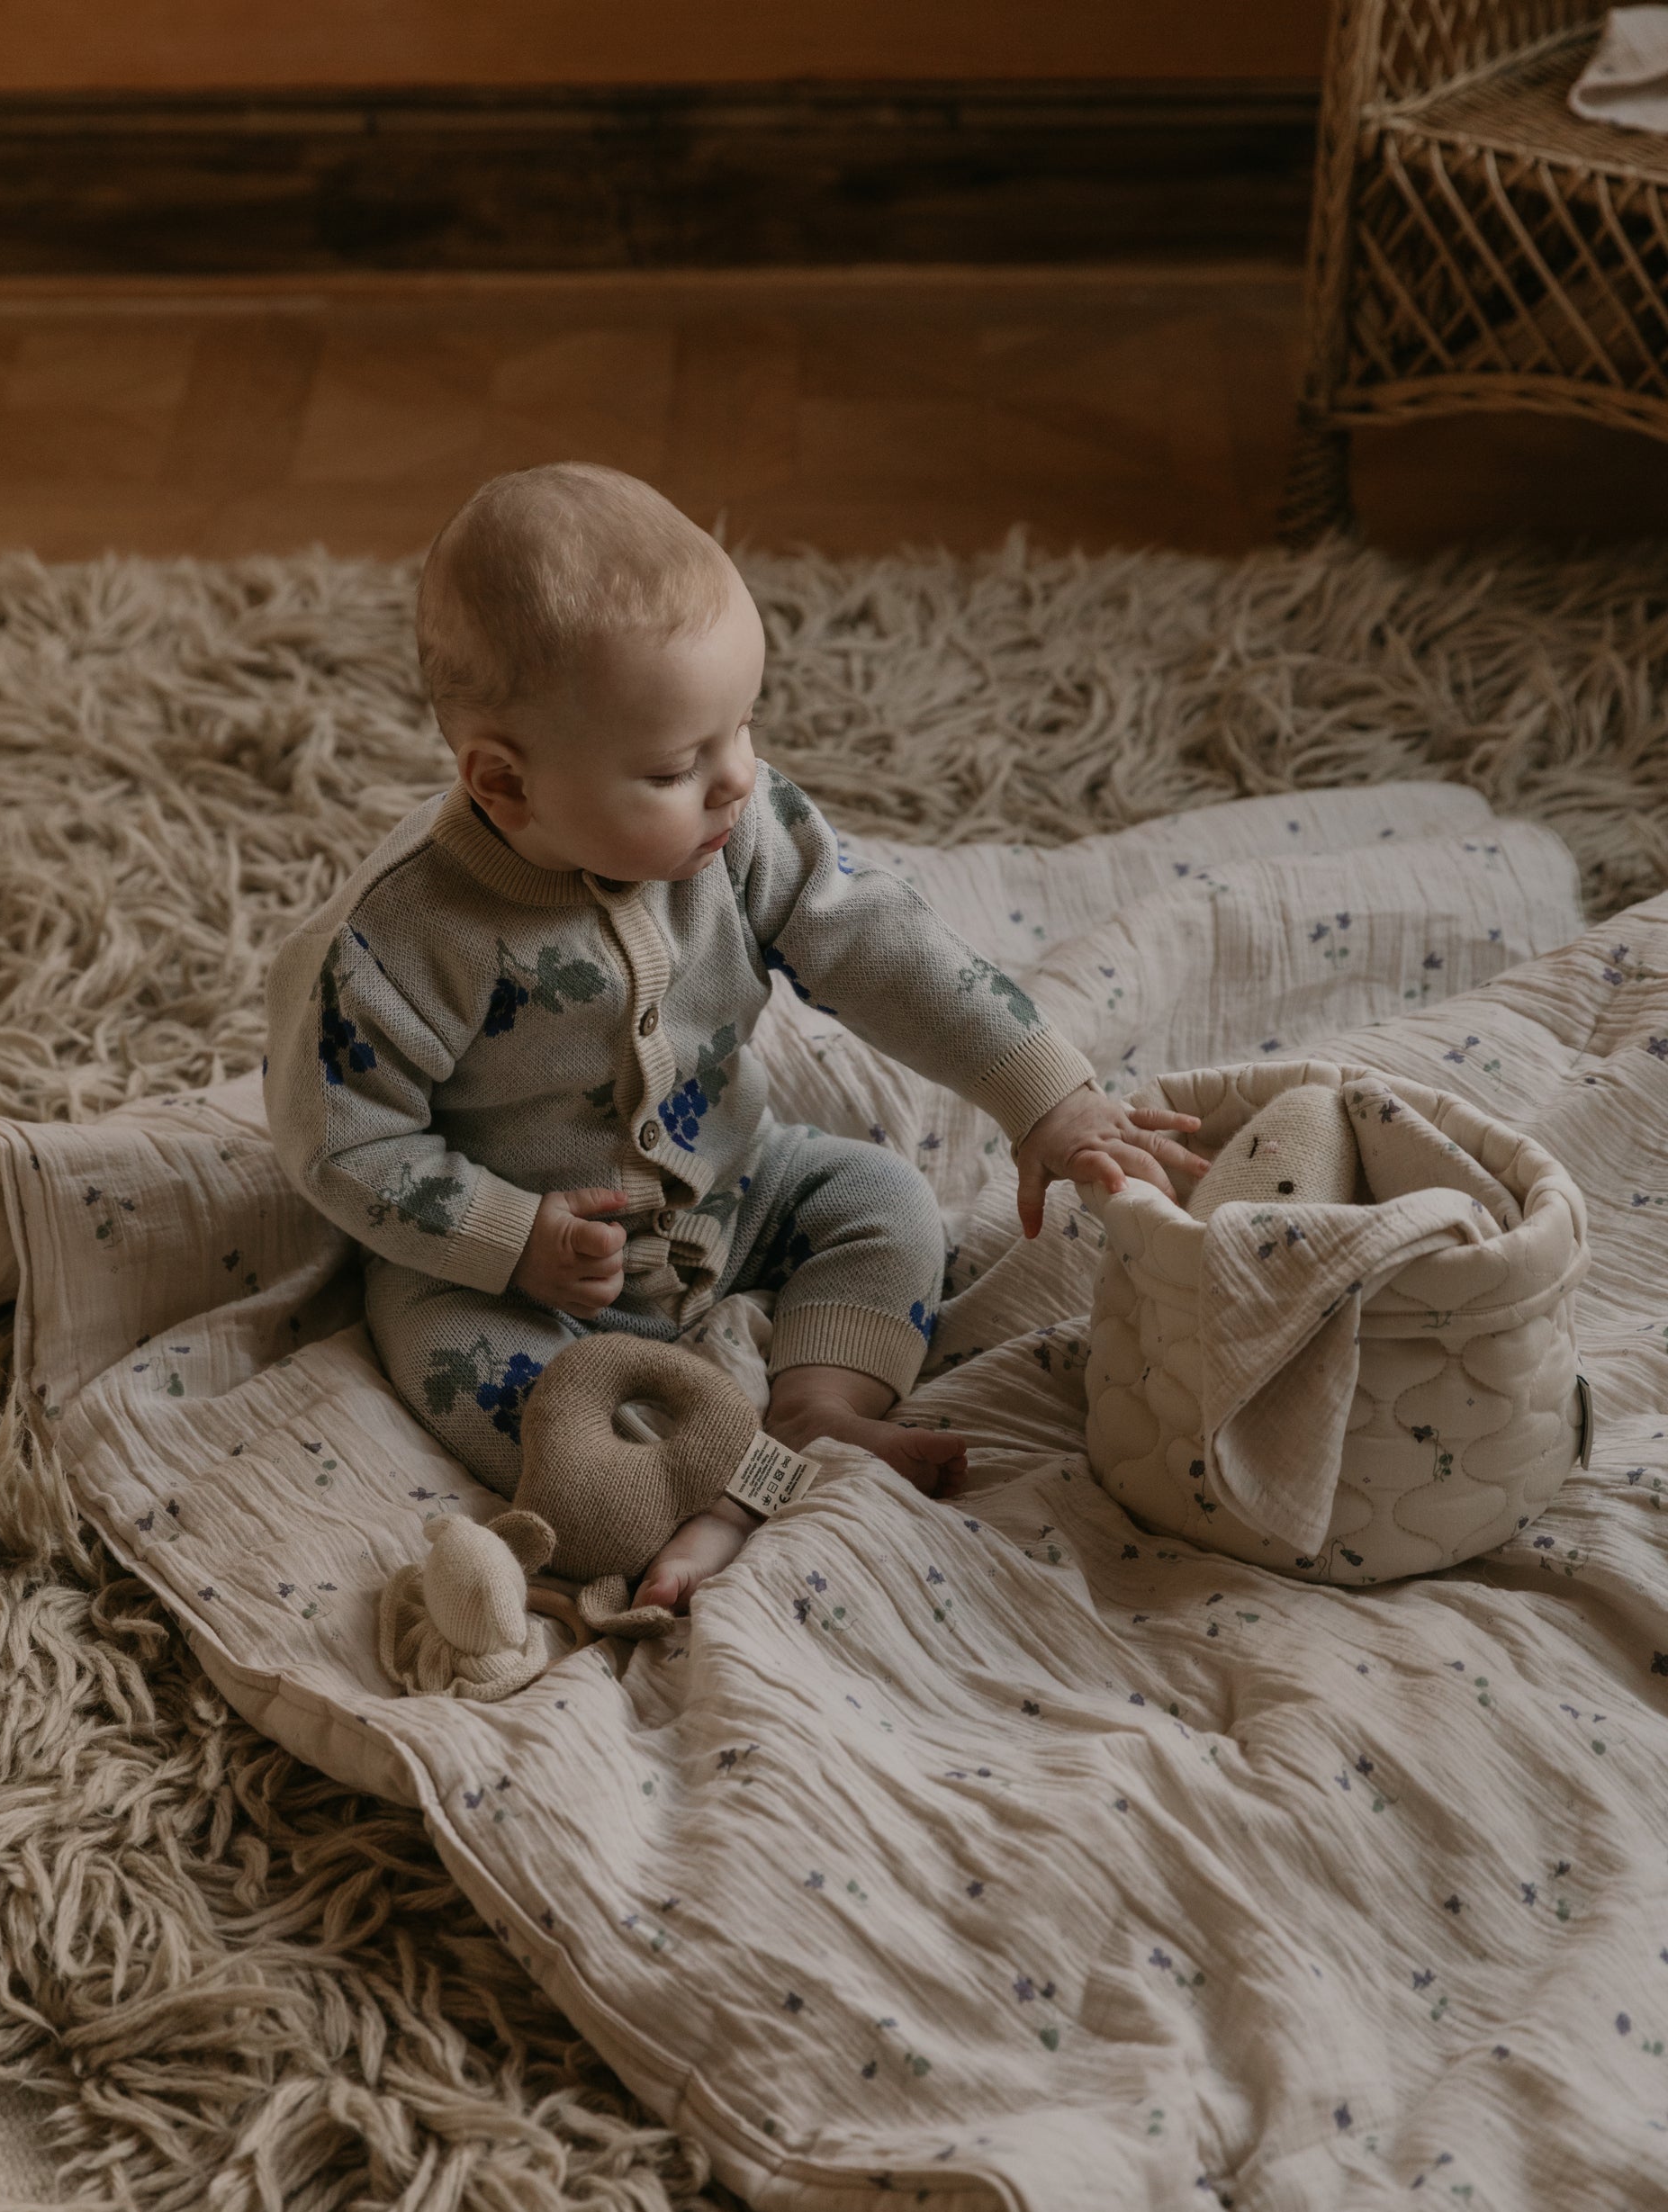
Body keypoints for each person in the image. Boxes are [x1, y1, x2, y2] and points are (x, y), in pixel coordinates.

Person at [265, 463, 1206, 1611]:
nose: (736, 779)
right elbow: (336, 1143)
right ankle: (721, 1491)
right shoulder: (400, 937)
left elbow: (879, 943)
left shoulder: (745, 827)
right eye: (674, 768)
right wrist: (510, 1236)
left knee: (883, 1200)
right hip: (508, 1284)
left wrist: (1042, 1093)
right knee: (535, 1411)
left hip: (733, 1187)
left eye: (742, 728)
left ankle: (818, 1409)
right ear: (503, 784)